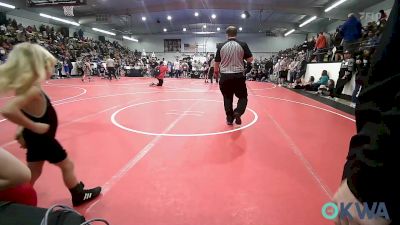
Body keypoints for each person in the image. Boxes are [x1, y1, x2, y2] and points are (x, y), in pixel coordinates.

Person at [0, 43, 101, 207]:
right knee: (67, 165)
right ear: (38, 68)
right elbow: (8, 110)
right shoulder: (32, 90)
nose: (53, 70)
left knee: (34, 170)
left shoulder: (29, 88)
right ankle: (78, 194)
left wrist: (22, 128)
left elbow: (25, 111)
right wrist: (33, 126)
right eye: (50, 66)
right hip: (43, 139)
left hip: (35, 139)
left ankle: (19, 197)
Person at [333, 1, 399, 224]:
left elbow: (388, 78)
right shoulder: (358, 26)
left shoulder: (350, 30)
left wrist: (366, 176)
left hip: (378, 169)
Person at [214, 26, 253, 125]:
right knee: (243, 97)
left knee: (227, 97)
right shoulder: (243, 44)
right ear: (236, 33)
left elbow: (217, 62)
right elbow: (250, 59)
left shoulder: (220, 46)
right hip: (238, 75)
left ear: (227, 34)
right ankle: (238, 112)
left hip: (225, 76)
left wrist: (216, 73)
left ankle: (229, 119)